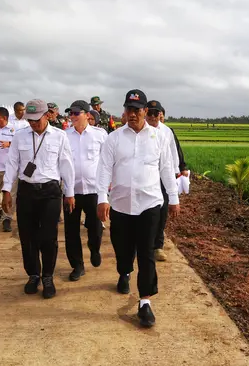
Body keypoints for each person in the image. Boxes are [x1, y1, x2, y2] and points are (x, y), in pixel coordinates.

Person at [96, 89, 180, 328]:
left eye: (137, 110)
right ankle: (124, 271)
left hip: (150, 203)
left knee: (146, 253)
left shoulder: (159, 137)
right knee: (123, 249)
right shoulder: (114, 138)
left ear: (145, 111)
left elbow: (166, 169)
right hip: (121, 204)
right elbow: (103, 169)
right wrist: (102, 198)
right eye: (128, 110)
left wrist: (173, 198)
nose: (132, 114)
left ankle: (145, 302)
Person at [2, 99, 75, 299]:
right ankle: (33, 274)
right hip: (26, 191)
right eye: (30, 120)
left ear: (47, 115)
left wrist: (69, 193)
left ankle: (48, 277)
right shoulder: (19, 136)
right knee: (27, 236)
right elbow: (12, 163)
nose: (33, 123)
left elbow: (67, 165)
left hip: (50, 192)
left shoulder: (59, 136)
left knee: (48, 238)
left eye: (36, 119)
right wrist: (7, 189)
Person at [64, 100, 108, 281]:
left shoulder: (100, 135)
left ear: (86, 114)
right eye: (70, 113)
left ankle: (94, 247)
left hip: (93, 190)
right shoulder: (64, 136)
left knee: (95, 227)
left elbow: (107, 162)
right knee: (71, 230)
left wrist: (108, 185)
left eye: (75, 113)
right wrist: (66, 191)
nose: (72, 117)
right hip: (71, 191)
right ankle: (77, 265)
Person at [145, 100, 187, 262]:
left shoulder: (167, 131)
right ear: (145, 113)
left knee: (162, 212)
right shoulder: (138, 131)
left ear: (160, 115)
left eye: (157, 114)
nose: (153, 117)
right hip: (146, 177)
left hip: (163, 177)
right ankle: (140, 243)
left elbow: (173, 153)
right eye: (150, 113)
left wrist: (177, 171)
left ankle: (157, 246)